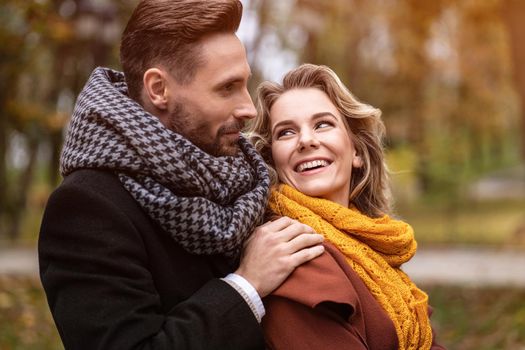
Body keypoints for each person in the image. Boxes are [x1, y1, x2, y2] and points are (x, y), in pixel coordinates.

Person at [38, 1, 325, 349]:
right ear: (159, 89)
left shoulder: (246, 180)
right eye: (226, 88)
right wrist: (246, 285)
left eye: (245, 84)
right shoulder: (86, 208)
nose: (248, 108)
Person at [246, 63, 446, 349]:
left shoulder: (371, 249)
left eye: (322, 124)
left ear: (357, 152)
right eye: (286, 132)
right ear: (272, 159)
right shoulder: (291, 252)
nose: (306, 140)